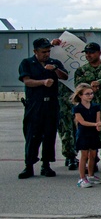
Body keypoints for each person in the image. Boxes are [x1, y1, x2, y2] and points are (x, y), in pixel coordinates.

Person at [18, 38, 69, 179]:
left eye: (48, 51)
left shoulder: (54, 63)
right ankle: (29, 165)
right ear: (35, 51)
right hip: (35, 104)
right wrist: (43, 82)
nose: (46, 54)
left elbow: (65, 76)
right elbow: (27, 81)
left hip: (51, 104)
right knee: (32, 135)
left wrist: (55, 70)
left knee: (49, 134)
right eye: (43, 52)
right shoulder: (27, 63)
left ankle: (46, 165)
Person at [71, 84, 101, 187]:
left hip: (93, 133)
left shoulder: (96, 106)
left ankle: (91, 175)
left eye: (91, 93)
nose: (90, 96)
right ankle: (82, 178)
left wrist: (98, 125)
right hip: (83, 133)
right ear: (80, 95)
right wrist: (95, 124)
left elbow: (98, 119)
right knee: (84, 155)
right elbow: (82, 122)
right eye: (87, 94)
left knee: (93, 155)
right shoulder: (77, 108)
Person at [74, 42, 101, 116]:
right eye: (86, 53)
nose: (88, 55)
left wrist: (99, 82)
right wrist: (90, 89)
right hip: (88, 107)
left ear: (99, 53)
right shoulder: (81, 70)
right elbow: (78, 86)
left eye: (91, 53)